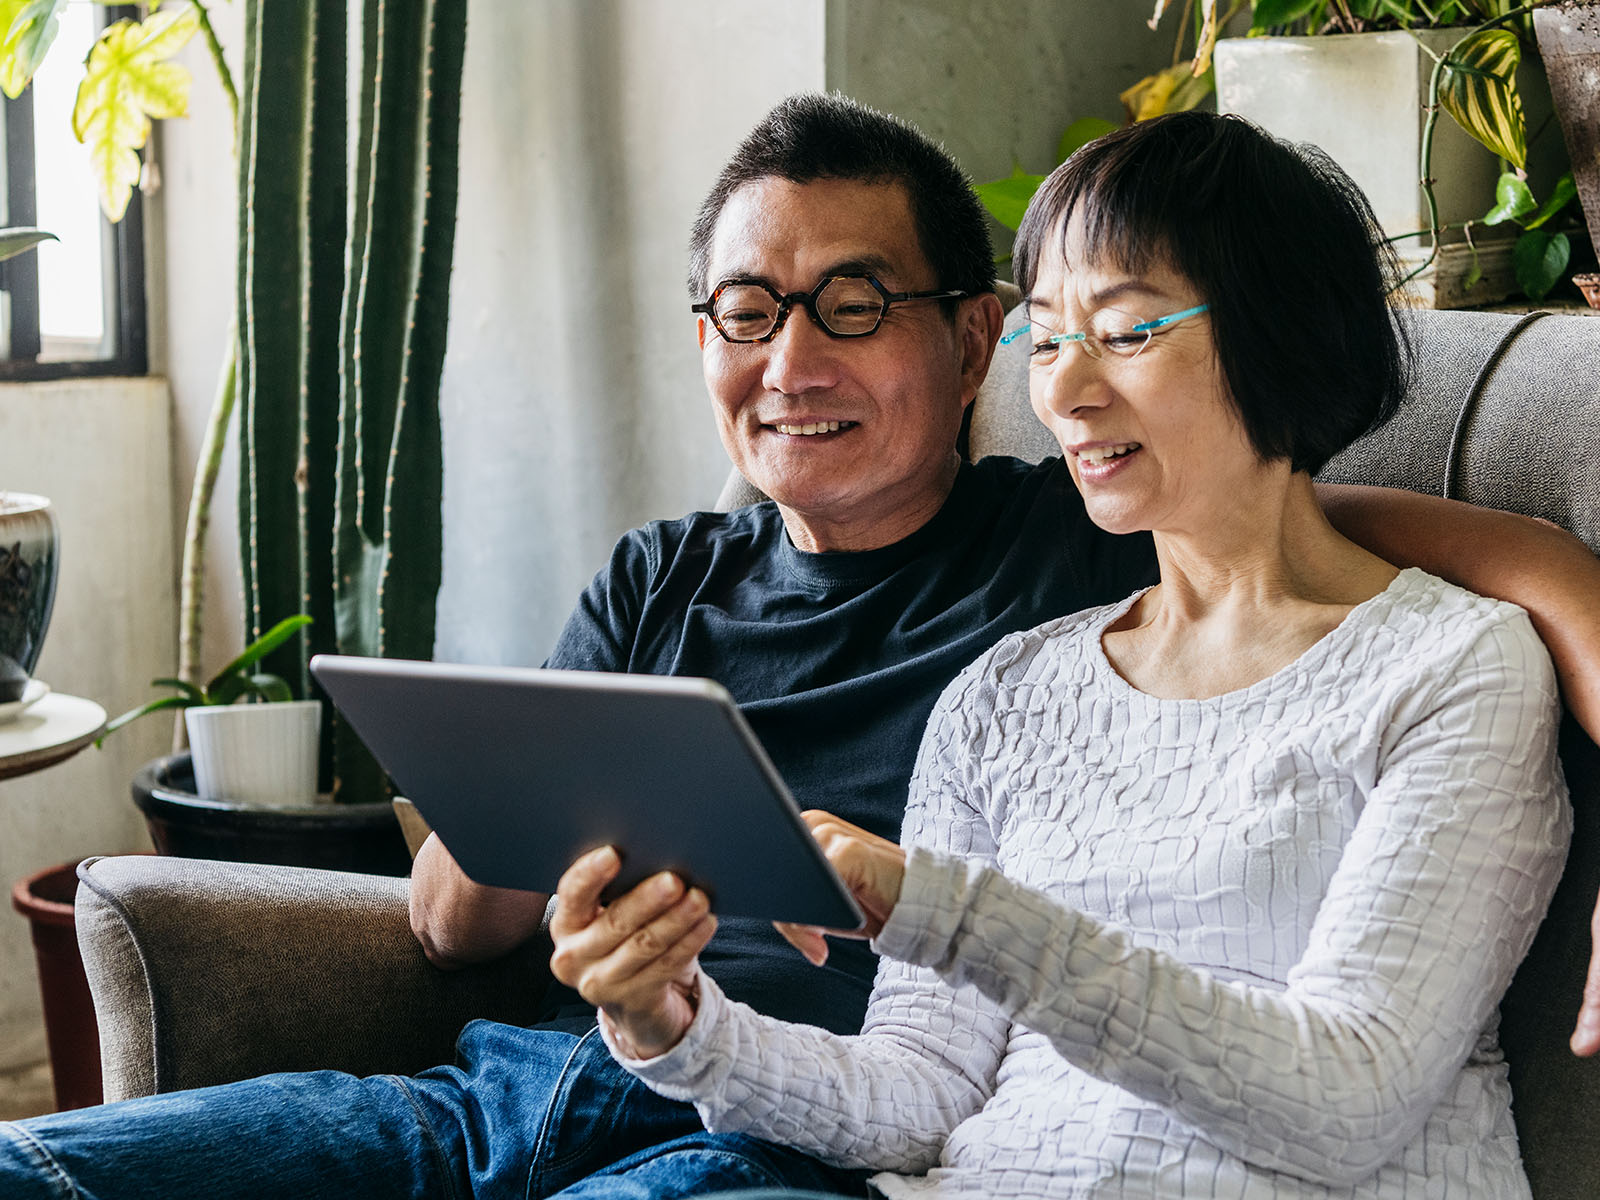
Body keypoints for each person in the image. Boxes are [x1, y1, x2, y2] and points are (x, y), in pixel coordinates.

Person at [1, 93, 1597, 1200]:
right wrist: (648, 995)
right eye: (744, 312)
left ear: (958, 344)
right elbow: (457, 927)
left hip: (766, 1154)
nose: (787, 361)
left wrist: (915, 897)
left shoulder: (1059, 542)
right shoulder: (852, 635)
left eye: (851, 303)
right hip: (546, 1088)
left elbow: (1351, 529)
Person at [561, 110, 1574, 1198]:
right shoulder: (1003, 693)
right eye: (1046, 339)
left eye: (1126, 332)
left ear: (1281, 330)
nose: (1063, 392)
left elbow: (1344, 1099)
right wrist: (671, 1023)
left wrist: (936, 907)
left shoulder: (1449, 670)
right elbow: (916, 1095)